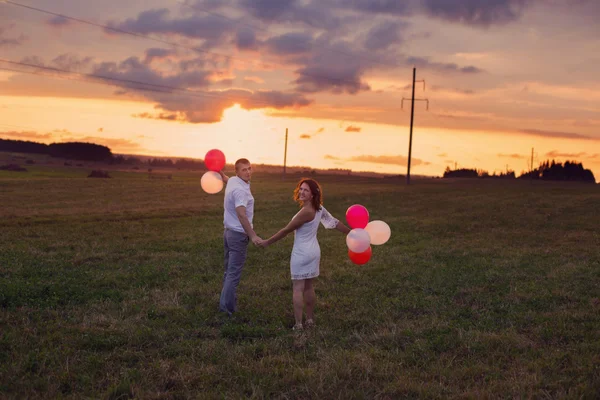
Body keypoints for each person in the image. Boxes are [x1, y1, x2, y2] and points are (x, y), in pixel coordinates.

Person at [259, 178, 350, 331]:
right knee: (308, 286)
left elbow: (285, 230)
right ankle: (310, 320)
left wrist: (267, 242)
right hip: (314, 251)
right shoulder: (319, 208)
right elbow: (334, 223)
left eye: (306, 190)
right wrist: (350, 233)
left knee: (297, 288)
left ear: (313, 194)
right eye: (301, 189)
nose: (301, 192)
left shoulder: (306, 212)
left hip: (302, 253)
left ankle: (298, 325)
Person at [218, 158, 261, 315]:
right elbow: (241, 214)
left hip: (228, 233)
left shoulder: (233, 181)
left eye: (249, 168)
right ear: (237, 172)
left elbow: (227, 180)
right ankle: (226, 310)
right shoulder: (240, 190)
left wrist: (222, 175)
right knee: (233, 274)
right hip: (237, 236)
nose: (248, 172)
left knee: (228, 271)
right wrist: (253, 235)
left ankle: (225, 303)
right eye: (244, 170)